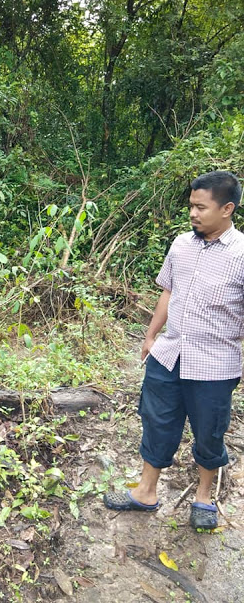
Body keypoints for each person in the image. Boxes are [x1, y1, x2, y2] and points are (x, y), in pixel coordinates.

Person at [104, 170, 243, 530]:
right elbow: (168, 291)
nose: (193, 214)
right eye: (191, 206)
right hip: (169, 354)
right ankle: (146, 491)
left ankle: (203, 498)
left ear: (227, 209)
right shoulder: (181, 244)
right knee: (156, 421)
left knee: (210, 431)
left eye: (201, 207)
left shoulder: (242, 254)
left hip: (215, 364)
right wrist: (151, 335)